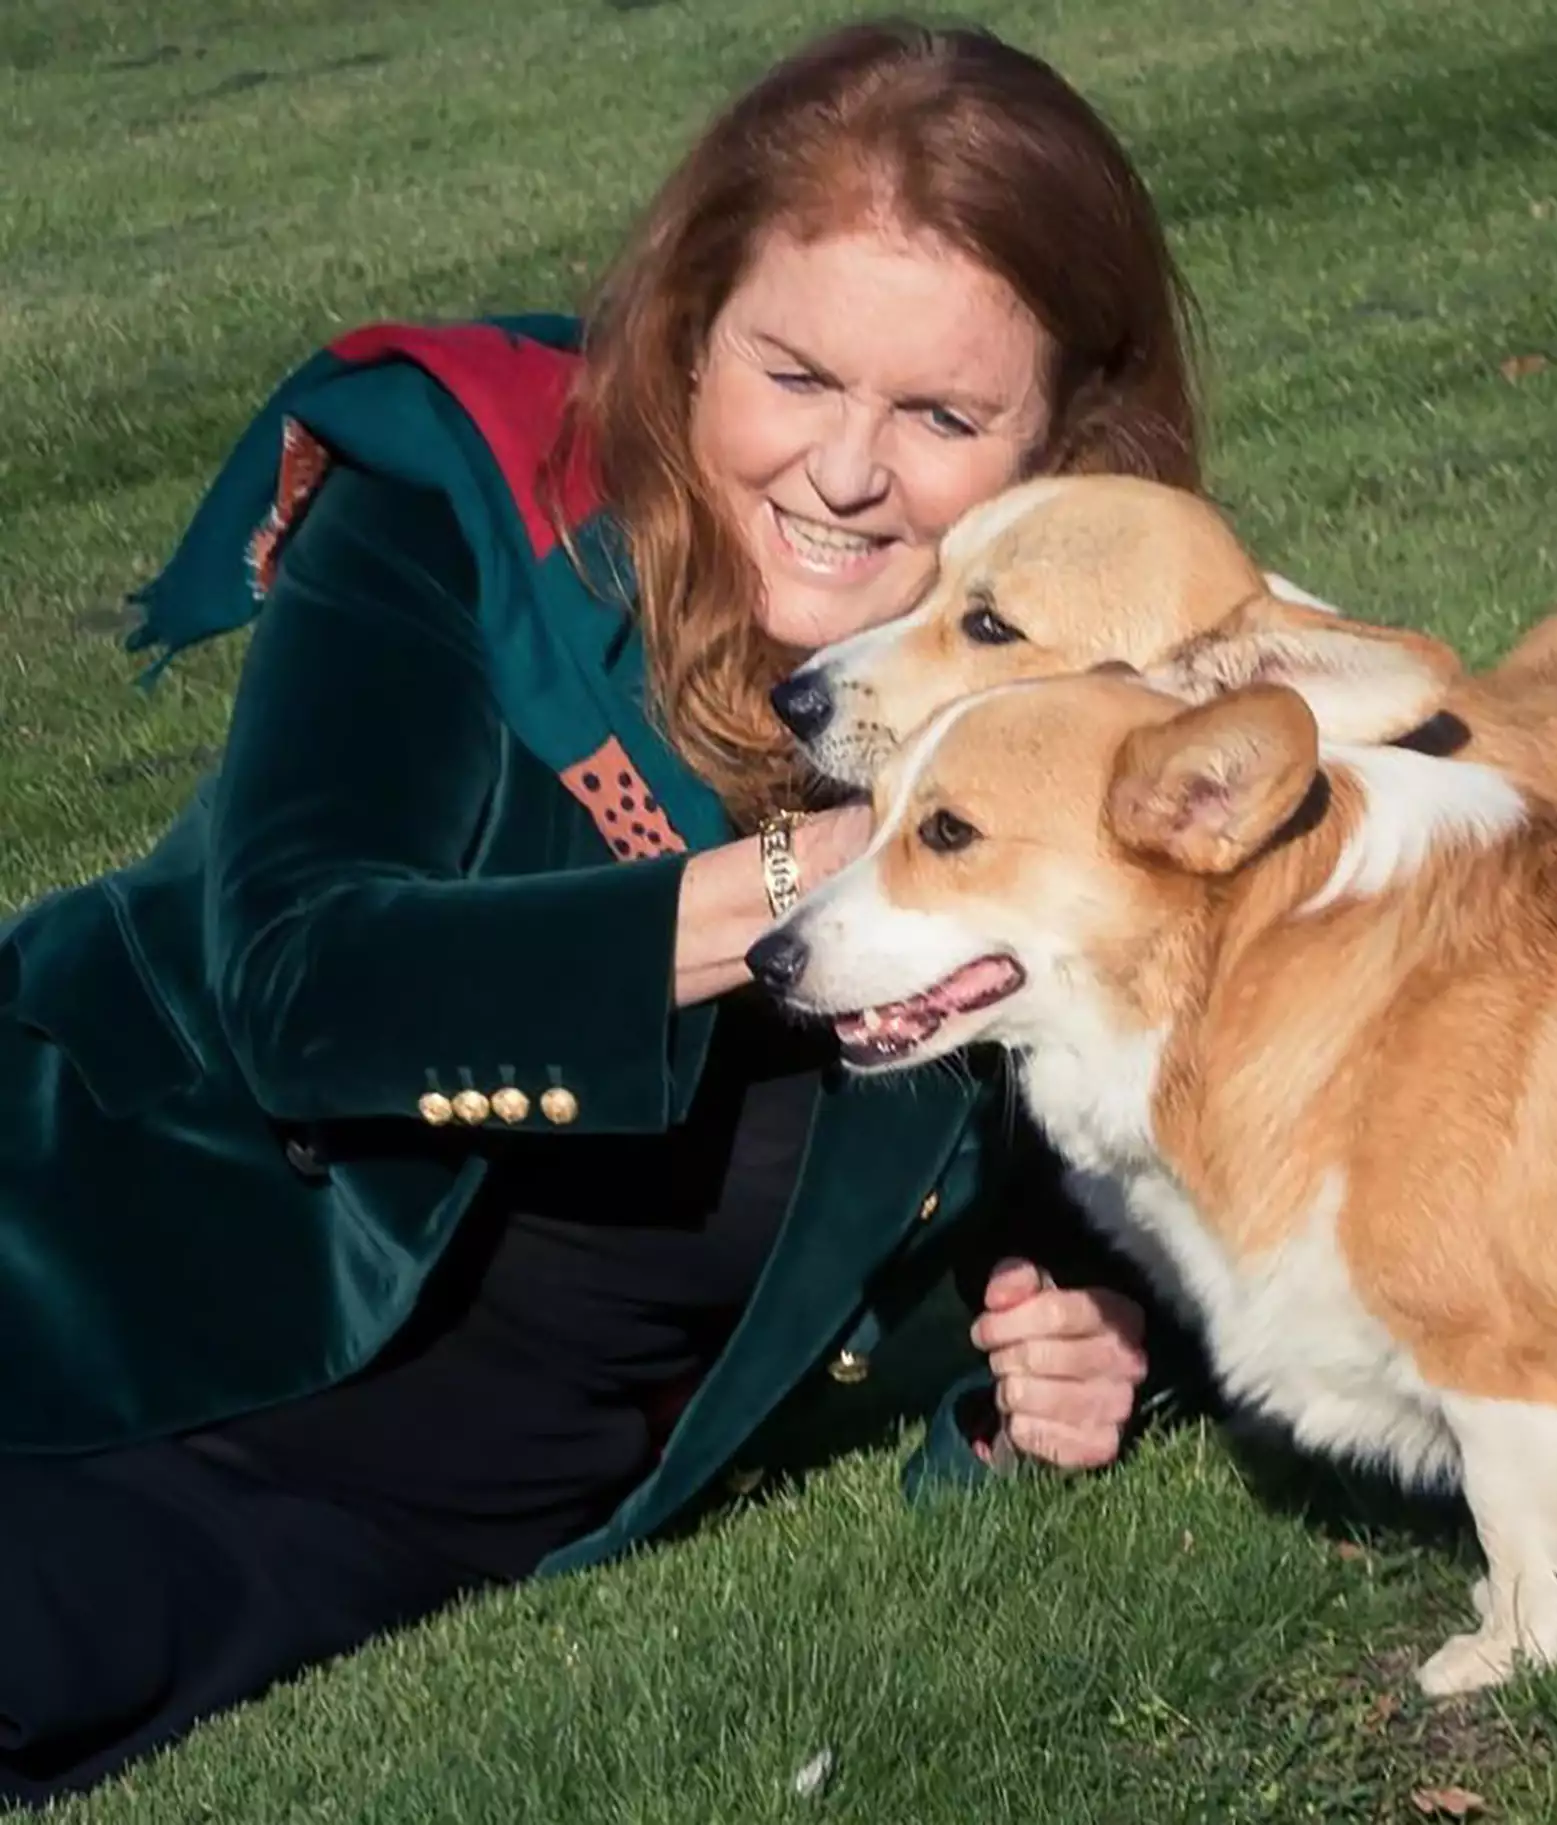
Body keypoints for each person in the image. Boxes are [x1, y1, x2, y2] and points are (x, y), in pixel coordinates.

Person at [0, 17, 1212, 1806]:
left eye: (944, 417)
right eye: (794, 376)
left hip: (380, 1510)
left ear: (1068, 445)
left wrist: (1113, 1338)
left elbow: (1222, 1155)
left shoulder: (1103, 745)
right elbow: (300, 987)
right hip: (84, 1251)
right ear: (689, 331)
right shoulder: (463, 517)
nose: (849, 472)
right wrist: (817, 878)